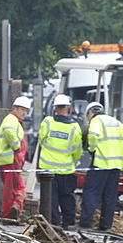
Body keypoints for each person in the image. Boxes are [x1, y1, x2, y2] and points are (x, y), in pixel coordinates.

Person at [79, 102, 123, 231]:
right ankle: (105, 225)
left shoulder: (96, 120)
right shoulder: (114, 121)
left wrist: (92, 149)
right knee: (110, 196)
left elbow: (92, 135)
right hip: (115, 166)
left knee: (91, 193)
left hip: (100, 163)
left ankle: (85, 224)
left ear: (90, 112)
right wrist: (119, 150)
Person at [37, 93, 83, 228]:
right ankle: (68, 224)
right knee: (67, 197)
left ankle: (53, 224)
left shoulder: (47, 122)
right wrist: (73, 161)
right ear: (68, 108)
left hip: (47, 169)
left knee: (50, 198)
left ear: (55, 108)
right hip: (66, 169)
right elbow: (77, 150)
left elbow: (41, 140)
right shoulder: (74, 127)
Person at [0, 95, 31, 219]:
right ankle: (9, 215)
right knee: (11, 190)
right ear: (16, 108)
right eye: (23, 110)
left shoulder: (14, 120)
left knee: (16, 188)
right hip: (10, 161)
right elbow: (8, 131)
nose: (24, 113)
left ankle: (15, 208)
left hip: (10, 161)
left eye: (26, 111)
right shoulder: (11, 119)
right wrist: (16, 146)